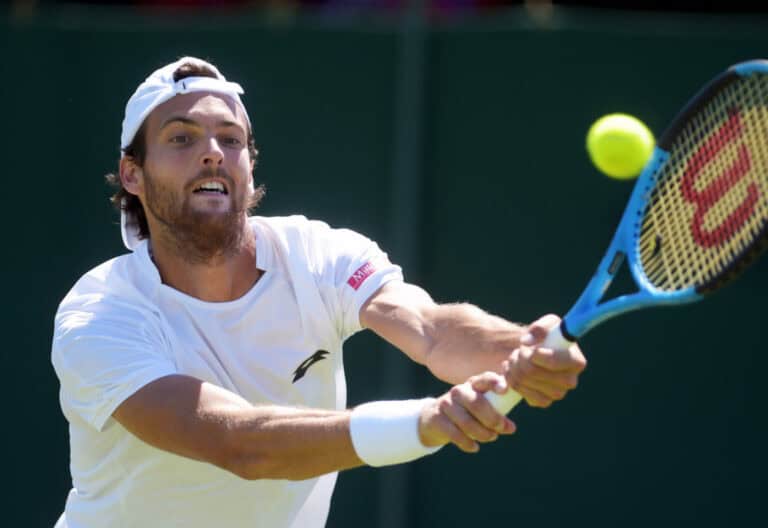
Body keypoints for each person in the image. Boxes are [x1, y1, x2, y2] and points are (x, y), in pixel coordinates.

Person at [51, 56, 586, 528]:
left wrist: (519, 348)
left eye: (230, 138)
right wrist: (427, 422)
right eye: (181, 137)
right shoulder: (100, 314)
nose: (213, 153)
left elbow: (431, 329)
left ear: (250, 163)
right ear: (132, 175)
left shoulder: (317, 254)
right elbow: (239, 444)